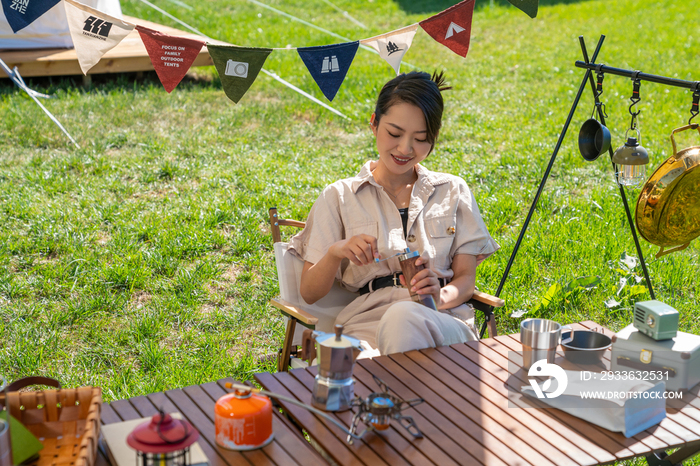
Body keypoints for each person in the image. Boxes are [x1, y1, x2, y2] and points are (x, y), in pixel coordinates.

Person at [288, 71, 499, 356]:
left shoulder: (452, 189)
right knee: (361, 360)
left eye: (420, 138)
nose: (405, 148)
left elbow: (464, 280)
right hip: (366, 329)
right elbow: (309, 293)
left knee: (403, 317)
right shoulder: (339, 197)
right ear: (374, 124)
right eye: (394, 133)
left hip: (443, 324)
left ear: (434, 137)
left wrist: (439, 295)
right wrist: (336, 252)